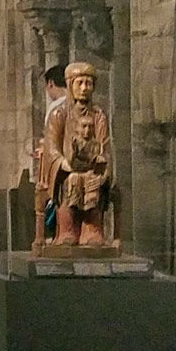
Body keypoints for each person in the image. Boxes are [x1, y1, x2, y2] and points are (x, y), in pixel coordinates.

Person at [42, 62, 113, 247]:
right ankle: (68, 229)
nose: (84, 88)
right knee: (71, 180)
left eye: (88, 84)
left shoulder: (98, 116)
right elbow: (51, 147)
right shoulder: (59, 114)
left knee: (93, 180)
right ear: (70, 85)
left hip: (91, 169)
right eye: (79, 83)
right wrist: (63, 162)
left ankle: (91, 229)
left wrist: (102, 161)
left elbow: (105, 145)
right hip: (67, 169)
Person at [32, 64, 68, 247]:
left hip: (59, 163)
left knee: (52, 195)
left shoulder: (56, 107)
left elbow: (51, 140)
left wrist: (45, 151)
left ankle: (56, 236)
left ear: (51, 84)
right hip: (67, 159)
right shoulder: (73, 104)